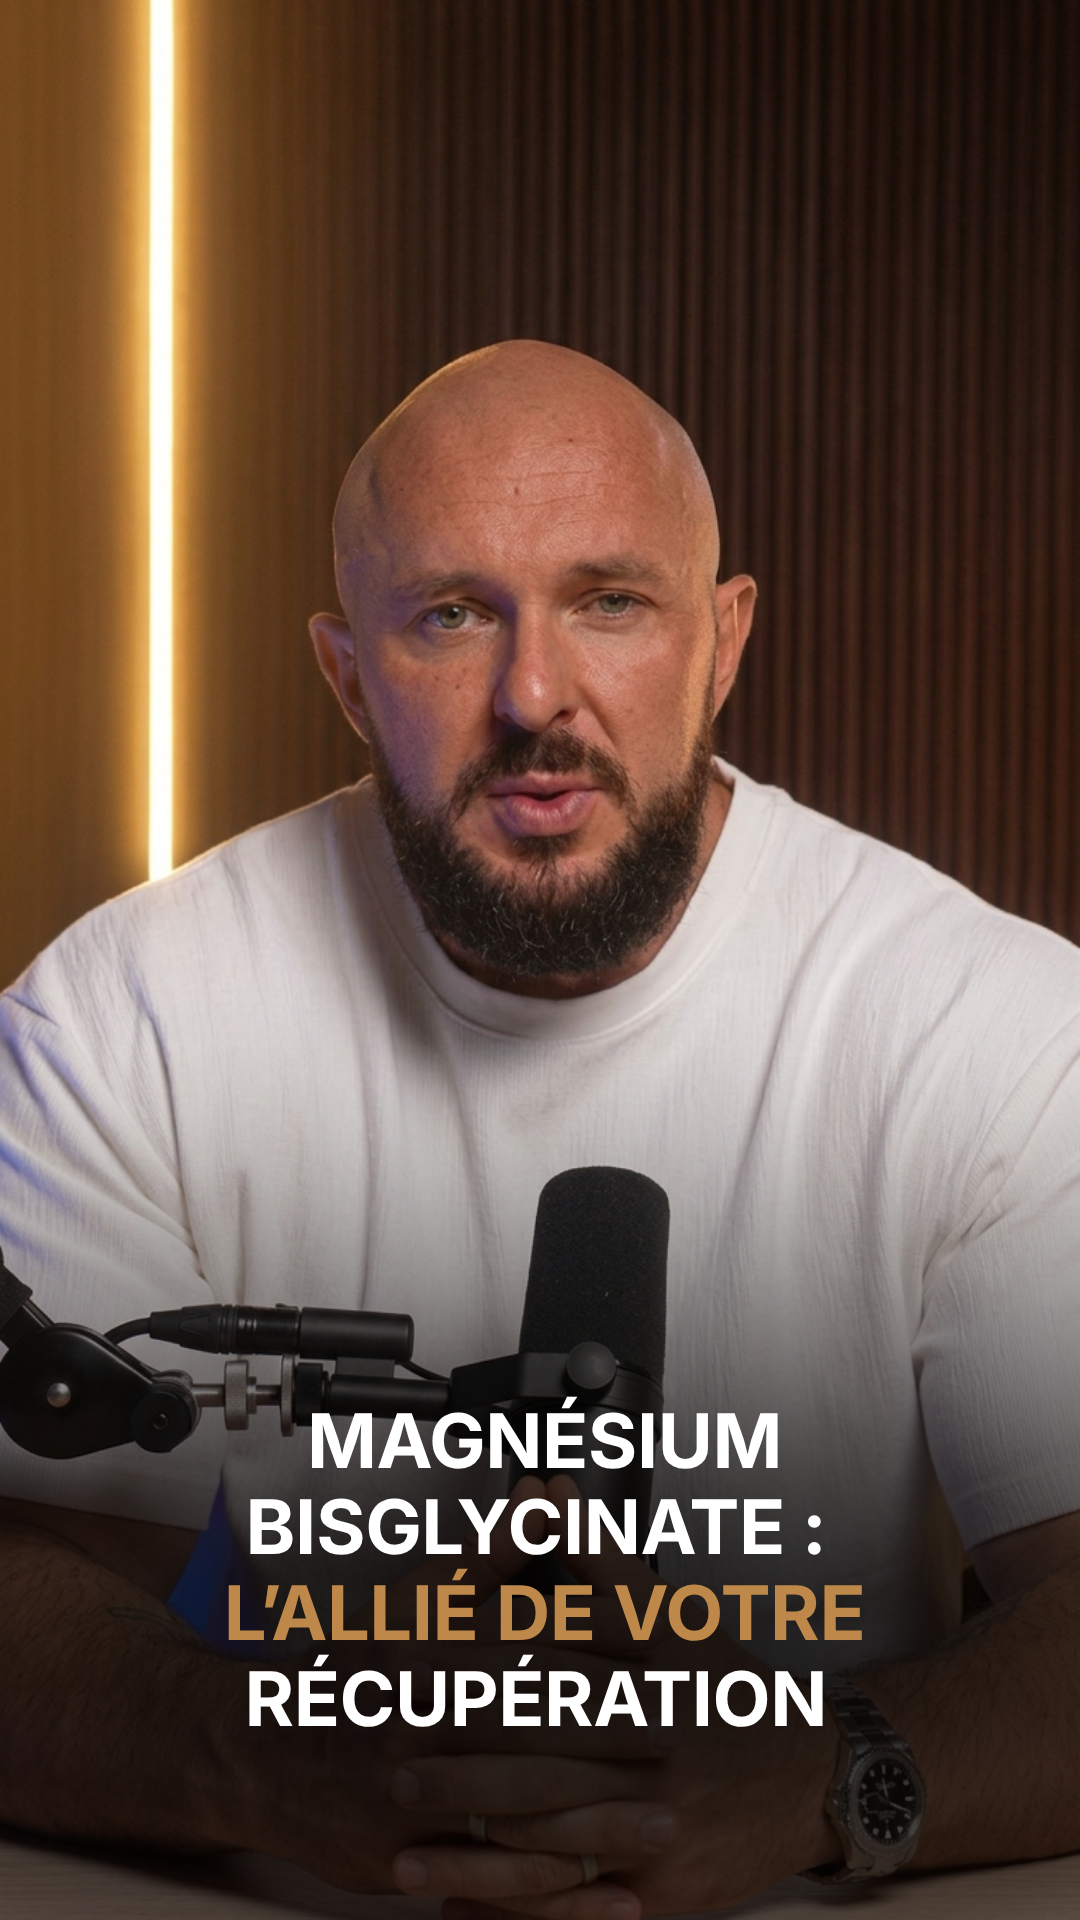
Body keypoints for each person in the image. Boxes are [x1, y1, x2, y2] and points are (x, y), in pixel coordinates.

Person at [0, 341, 1077, 1916]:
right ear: (347, 677)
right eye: (451, 615)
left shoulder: (992, 1022)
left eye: (611, 603)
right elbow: (31, 1574)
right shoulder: (122, 1019)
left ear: (722, 644)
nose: (532, 697)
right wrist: (277, 1757)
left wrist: (816, 1776)